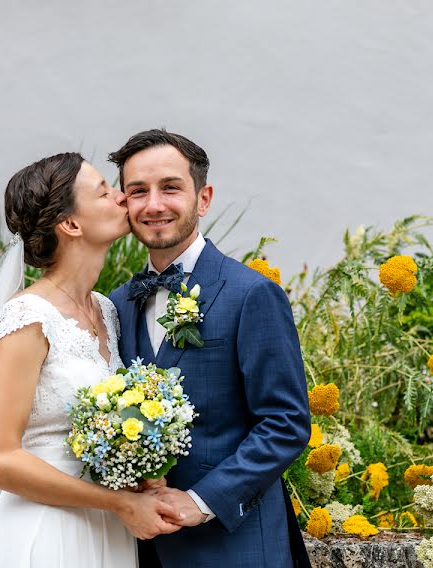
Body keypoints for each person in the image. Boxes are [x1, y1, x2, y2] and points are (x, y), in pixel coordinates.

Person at [0, 152, 182, 567]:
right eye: (104, 191)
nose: (121, 198)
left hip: (109, 532)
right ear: (72, 224)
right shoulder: (29, 317)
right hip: (45, 530)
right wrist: (115, 503)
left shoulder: (108, 311)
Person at [108, 129, 312, 567]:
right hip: (139, 548)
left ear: (203, 199)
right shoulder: (118, 303)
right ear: (125, 203)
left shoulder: (251, 294)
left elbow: (286, 422)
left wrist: (201, 500)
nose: (154, 204)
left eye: (170, 188)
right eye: (138, 191)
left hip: (233, 546)